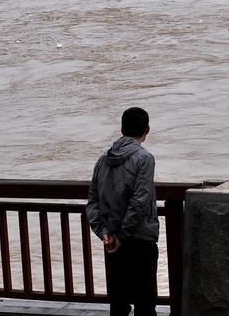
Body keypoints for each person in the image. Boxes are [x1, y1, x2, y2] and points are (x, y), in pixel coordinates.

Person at [86, 107, 158, 316]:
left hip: (112, 242)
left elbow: (92, 201)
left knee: (118, 302)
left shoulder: (103, 160)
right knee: (145, 303)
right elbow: (140, 201)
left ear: (121, 129)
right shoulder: (144, 159)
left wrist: (105, 233)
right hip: (140, 238)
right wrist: (122, 236)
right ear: (147, 129)